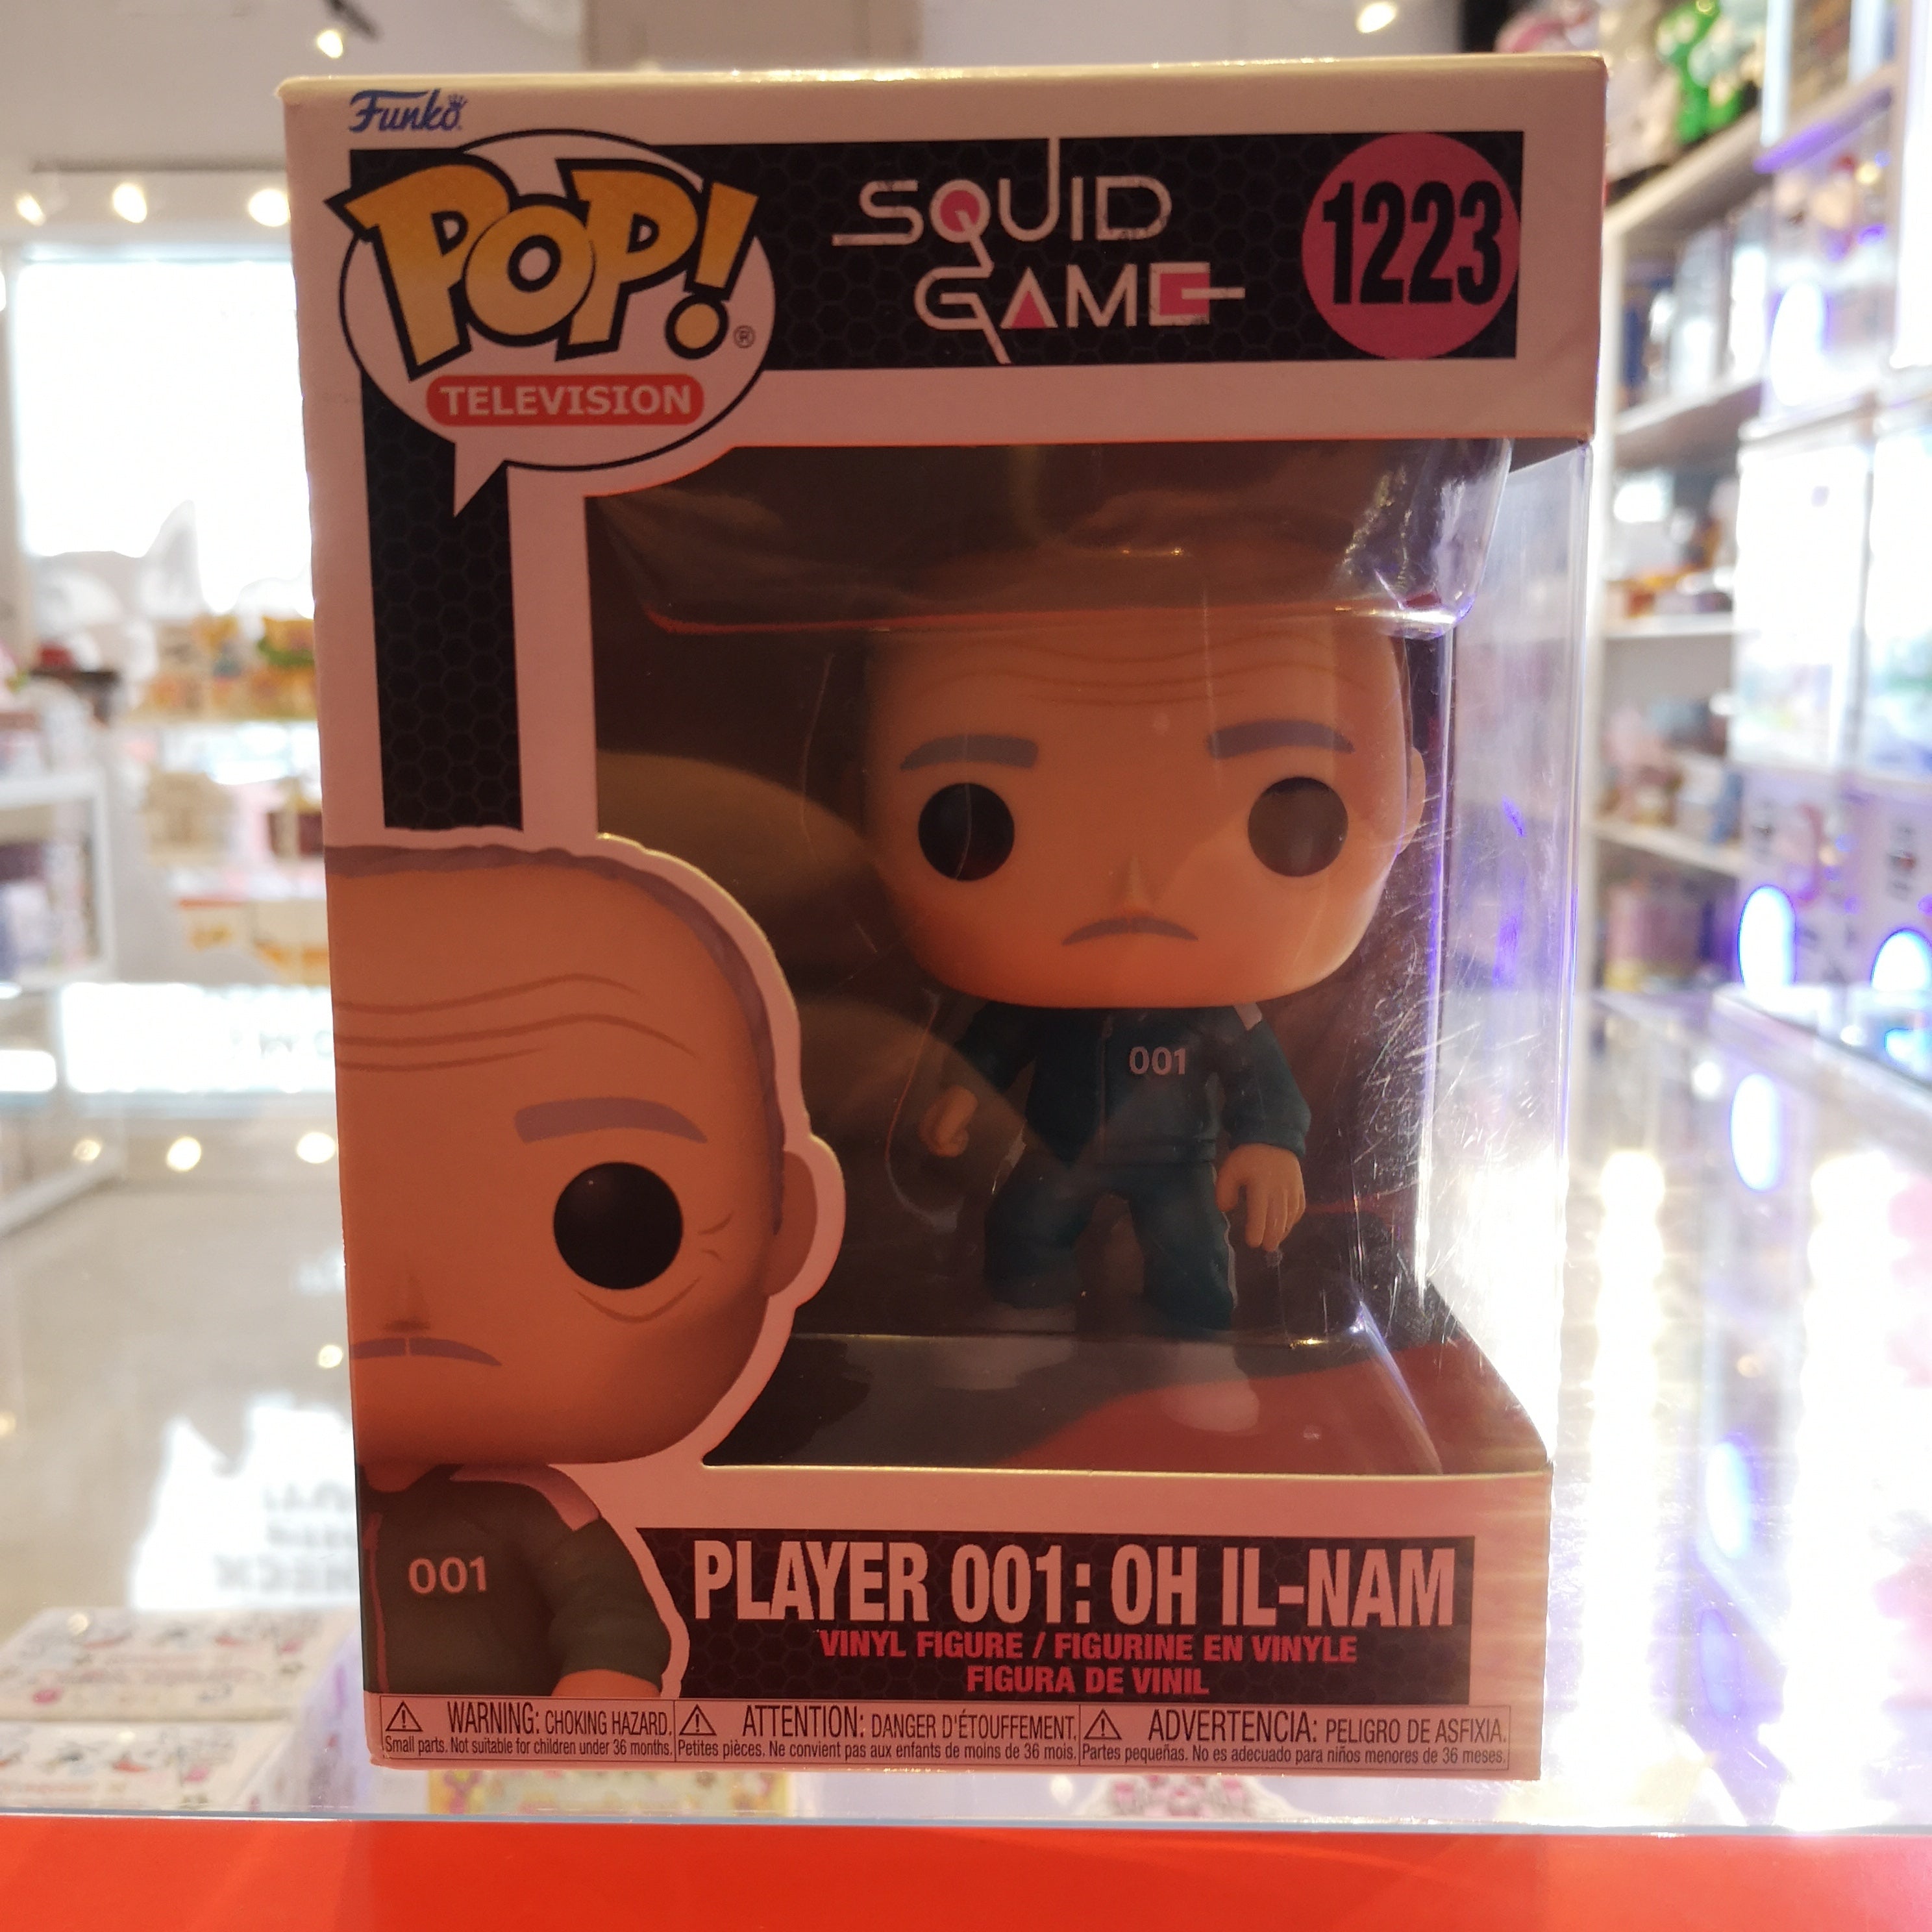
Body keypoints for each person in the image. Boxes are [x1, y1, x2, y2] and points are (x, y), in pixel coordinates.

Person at [327, 843, 835, 1696]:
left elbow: (612, 1615)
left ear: (786, 1223)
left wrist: (600, 1695)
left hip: (521, 1760)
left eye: (617, 1224)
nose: (410, 1304)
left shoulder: (530, 1505)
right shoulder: (323, 1507)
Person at [866, 606, 1425, 1333]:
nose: (1132, 890)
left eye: (1286, 817)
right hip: (1061, 1147)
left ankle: (1193, 1345)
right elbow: (998, 1039)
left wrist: (1271, 1144)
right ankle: (1024, 1323)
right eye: (980, 820)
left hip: (1178, 1163)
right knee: (1025, 1228)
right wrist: (965, 1089)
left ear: (1407, 803)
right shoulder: (1044, 997)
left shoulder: (1217, 1008)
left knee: (1191, 1253)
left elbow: (1261, 1077)